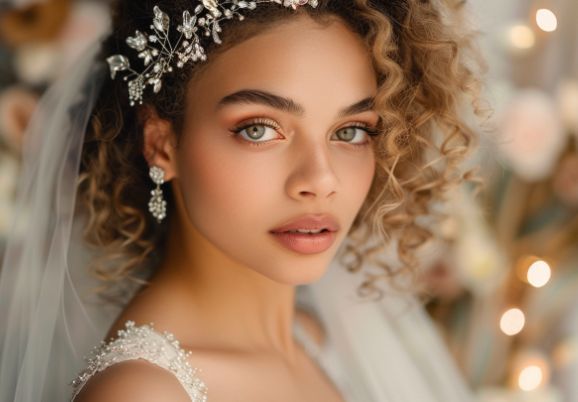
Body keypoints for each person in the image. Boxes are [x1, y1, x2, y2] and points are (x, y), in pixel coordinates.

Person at [0, 0, 484, 401]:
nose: (320, 179)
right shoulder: (144, 393)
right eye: (259, 129)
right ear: (162, 144)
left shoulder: (323, 339)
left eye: (350, 131)